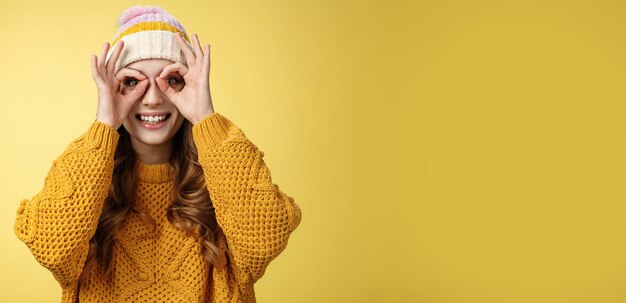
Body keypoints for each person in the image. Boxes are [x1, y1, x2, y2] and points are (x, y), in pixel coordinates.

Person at [13, 5, 302, 303]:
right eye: (132, 82)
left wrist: (205, 117)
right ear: (112, 89)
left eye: (172, 80)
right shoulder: (87, 176)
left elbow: (265, 240)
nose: (152, 98)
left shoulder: (223, 178)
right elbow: (53, 247)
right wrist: (104, 123)